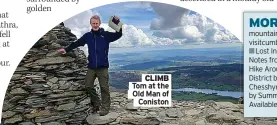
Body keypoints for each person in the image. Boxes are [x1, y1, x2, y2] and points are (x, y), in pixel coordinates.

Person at [57, 15, 123, 116]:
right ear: (91, 24)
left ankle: (105, 108)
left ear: (99, 24)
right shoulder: (87, 36)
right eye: (93, 23)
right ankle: (97, 103)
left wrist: (117, 22)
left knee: (104, 88)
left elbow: (118, 34)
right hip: (91, 67)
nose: (95, 25)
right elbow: (77, 43)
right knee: (88, 86)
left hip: (103, 67)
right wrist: (66, 49)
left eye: (97, 23)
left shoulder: (105, 35)